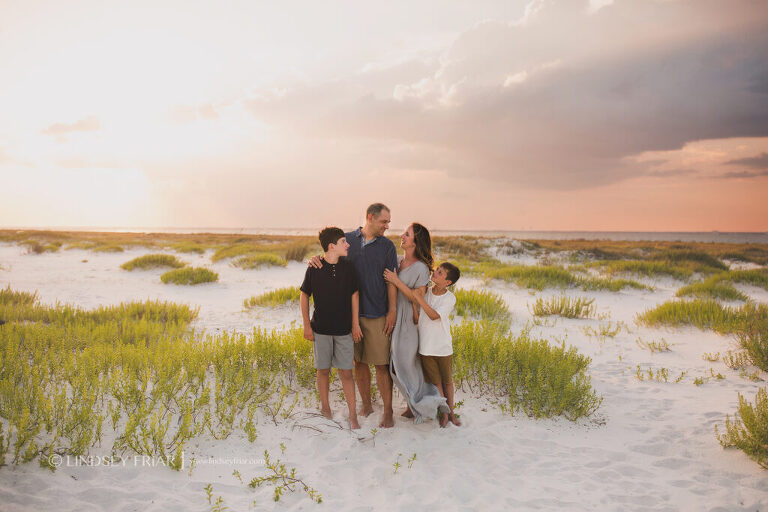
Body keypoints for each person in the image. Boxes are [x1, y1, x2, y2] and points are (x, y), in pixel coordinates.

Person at [309, 203, 398, 428]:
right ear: (370, 217)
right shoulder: (347, 240)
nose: (387, 226)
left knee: (381, 365)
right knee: (358, 363)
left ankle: (387, 412)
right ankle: (366, 405)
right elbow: (328, 254)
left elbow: (391, 280)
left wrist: (392, 310)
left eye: (388, 222)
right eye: (384, 221)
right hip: (350, 316)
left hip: (377, 313)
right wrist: (314, 258)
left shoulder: (387, 247)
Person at [381, 223, 447, 424]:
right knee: (396, 364)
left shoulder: (421, 268)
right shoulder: (399, 261)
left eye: (407, 234)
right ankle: (413, 404)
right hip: (394, 315)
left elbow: (416, 298)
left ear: (416, 242)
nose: (402, 236)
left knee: (405, 364)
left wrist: (396, 281)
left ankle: (427, 404)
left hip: (409, 320)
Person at [300, 227, 363, 430]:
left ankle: (353, 415)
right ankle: (325, 407)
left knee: (346, 372)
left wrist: (355, 325)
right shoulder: (314, 268)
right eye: (344, 241)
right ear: (331, 246)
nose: (348, 244)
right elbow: (304, 295)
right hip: (321, 330)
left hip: (344, 330)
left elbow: (354, 295)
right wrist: (306, 325)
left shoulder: (348, 267)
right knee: (323, 370)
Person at [385, 261, 461, 427]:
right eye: (437, 269)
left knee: (447, 381)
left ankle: (452, 414)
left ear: (447, 282)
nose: (436, 272)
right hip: (426, 347)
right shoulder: (426, 292)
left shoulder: (449, 298)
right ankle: (444, 413)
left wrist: (419, 298)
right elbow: (418, 317)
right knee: (436, 383)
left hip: (442, 347)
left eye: (441, 273)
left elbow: (434, 316)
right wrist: (415, 304)